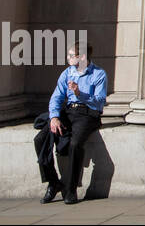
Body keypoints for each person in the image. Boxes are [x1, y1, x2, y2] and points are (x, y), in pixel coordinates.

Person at [36, 42, 107, 205]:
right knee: (40, 139)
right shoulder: (67, 73)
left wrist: (79, 93)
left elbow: (99, 103)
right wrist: (54, 117)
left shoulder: (98, 74)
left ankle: (71, 189)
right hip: (69, 111)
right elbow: (56, 97)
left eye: (71, 55)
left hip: (88, 114)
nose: (67, 58)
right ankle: (53, 182)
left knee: (75, 144)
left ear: (82, 57)